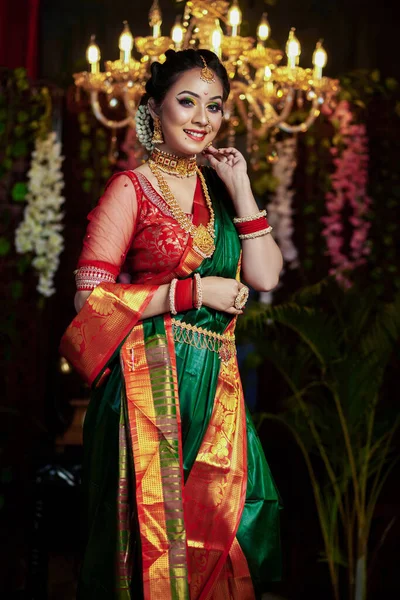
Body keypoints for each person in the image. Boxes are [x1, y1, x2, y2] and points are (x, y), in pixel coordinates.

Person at [60, 48, 283, 600]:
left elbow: (266, 275)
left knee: (234, 528)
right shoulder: (129, 189)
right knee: (152, 545)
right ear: (154, 109)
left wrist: (243, 186)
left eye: (216, 106)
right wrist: (191, 291)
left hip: (217, 388)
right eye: (187, 101)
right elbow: (89, 301)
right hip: (148, 388)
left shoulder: (220, 192)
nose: (203, 117)